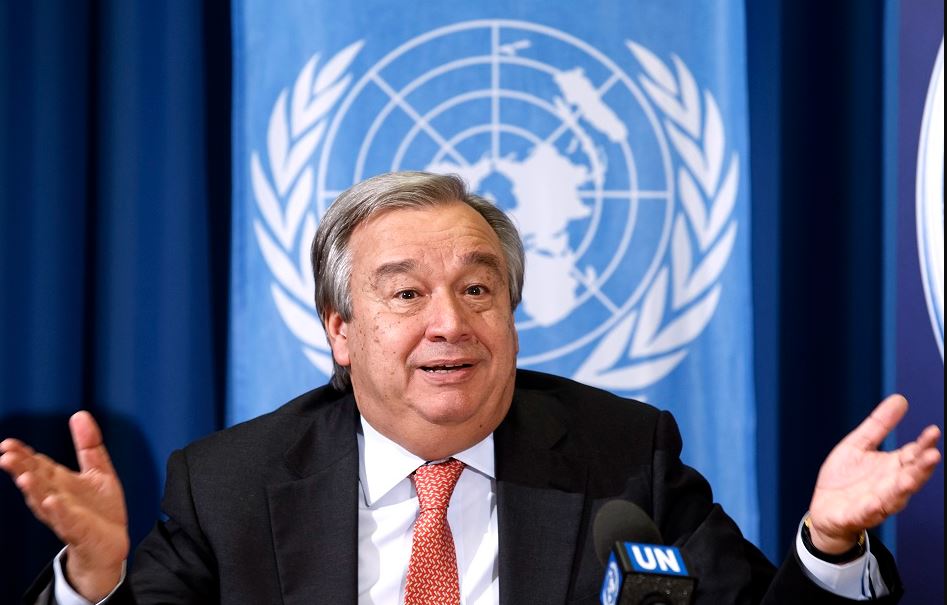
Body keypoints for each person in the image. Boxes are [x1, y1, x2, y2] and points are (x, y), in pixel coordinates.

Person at [1, 171, 941, 604]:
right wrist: (94, 582)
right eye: (406, 293)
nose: (450, 321)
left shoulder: (624, 457)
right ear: (340, 330)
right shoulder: (229, 483)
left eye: (478, 289)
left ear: (512, 313)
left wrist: (829, 545)